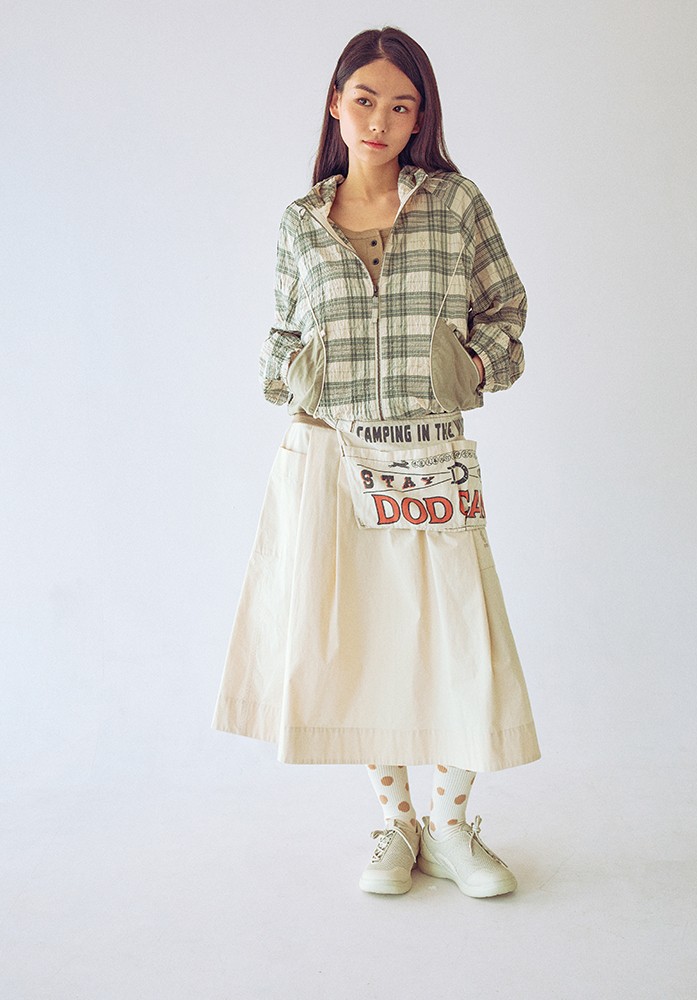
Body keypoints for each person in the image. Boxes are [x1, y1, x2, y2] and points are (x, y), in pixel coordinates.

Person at [211, 25, 540, 898]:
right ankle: (397, 823)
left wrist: (474, 368)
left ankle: (452, 826)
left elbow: (507, 314)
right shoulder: (301, 223)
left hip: (430, 456)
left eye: (401, 106)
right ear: (335, 103)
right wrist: (295, 372)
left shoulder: (457, 204)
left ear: (420, 118)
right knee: (364, 641)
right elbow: (277, 340)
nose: (380, 121)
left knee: (461, 640)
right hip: (332, 457)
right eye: (364, 101)